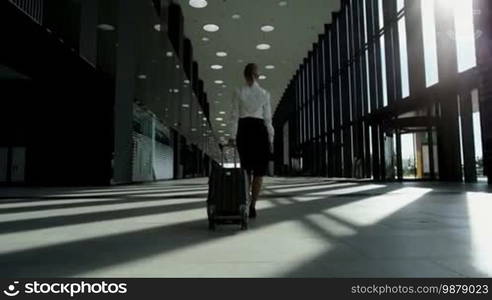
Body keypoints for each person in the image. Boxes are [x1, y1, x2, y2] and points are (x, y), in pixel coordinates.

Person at [229, 63, 274, 218]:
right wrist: (271, 138)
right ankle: (253, 205)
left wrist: (232, 136)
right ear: (258, 76)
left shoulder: (238, 92)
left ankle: (245, 202)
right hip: (260, 130)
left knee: (246, 170)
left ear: (245, 75)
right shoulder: (264, 94)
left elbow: (234, 116)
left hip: (244, 130)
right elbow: (268, 119)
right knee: (259, 173)